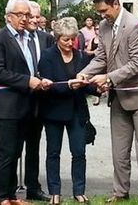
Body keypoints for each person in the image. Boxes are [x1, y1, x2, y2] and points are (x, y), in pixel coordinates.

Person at [74, 0, 138, 205]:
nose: (102, 15)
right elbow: (101, 57)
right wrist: (86, 72)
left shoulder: (134, 26)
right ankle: (120, 191)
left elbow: (137, 63)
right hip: (118, 96)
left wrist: (108, 78)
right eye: (99, 12)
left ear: (116, 4)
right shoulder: (103, 26)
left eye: (104, 10)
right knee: (119, 149)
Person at [0, 0, 51, 205]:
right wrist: (27, 81)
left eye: (27, 14)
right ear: (8, 17)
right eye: (20, 14)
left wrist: (39, 80)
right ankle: (1, 196)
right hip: (7, 105)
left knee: (16, 152)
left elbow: (30, 68)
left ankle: (12, 195)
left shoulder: (27, 38)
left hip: (27, 104)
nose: (24, 18)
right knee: (7, 151)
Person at [38, 17, 98, 204]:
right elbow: (49, 85)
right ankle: (54, 191)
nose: (70, 43)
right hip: (53, 111)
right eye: (66, 39)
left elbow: (85, 85)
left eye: (73, 39)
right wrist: (69, 87)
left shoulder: (81, 56)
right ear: (57, 38)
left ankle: (79, 190)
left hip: (77, 112)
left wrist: (97, 88)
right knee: (53, 152)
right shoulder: (47, 56)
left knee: (79, 152)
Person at [21, 1, 55, 201]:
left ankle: (33, 187)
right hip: (20, 98)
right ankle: (8, 188)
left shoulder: (46, 38)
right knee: (14, 147)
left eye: (37, 16)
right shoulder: (18, 38)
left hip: (41, 100)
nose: (34, 20)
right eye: (30, 16)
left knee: (34, 146)